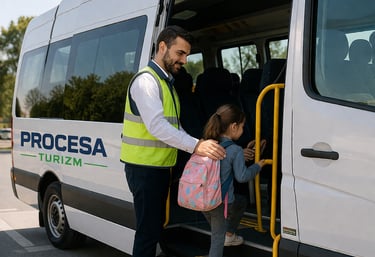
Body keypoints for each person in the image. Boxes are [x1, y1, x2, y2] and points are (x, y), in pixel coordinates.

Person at [120, 25, 226, 257]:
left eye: (187, 55)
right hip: (145, 169)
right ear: (162, 47)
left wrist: (200, 143)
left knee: (155, 229)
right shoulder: (146, 82)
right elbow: (158, 126)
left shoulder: (166, 82)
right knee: (147, 233)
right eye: (180, 53)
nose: (185, 60)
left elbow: (174, 127)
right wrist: (197, 145)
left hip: (158, 168)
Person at [201, 104, 266, 257]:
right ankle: (228, 235)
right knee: (218, 239)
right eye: (242, 126)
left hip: (202, 198)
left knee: (240, 203)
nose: (243, 130)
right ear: (234, 126)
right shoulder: (235, 150)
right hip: (220, 201)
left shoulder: (208, 143)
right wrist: (258, 166)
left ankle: (228, 234)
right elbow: (242, 177)